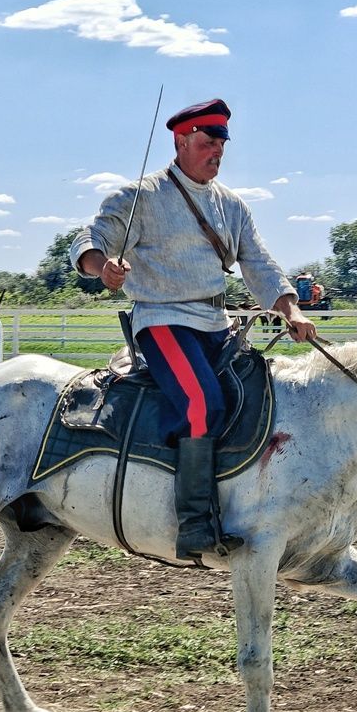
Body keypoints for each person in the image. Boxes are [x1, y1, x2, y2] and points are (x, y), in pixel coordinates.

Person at [70, 98, 316, 560]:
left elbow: (258, 263)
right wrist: (104, 269)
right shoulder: (140, 196)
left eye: (222, 143)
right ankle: (194, 524)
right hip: (162, 319)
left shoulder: (232, 205)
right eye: (207, 142)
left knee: (264, 394)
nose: (217, 151)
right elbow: (88, 240)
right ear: (181, 141)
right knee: (201, 402)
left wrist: (291, 310)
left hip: (217, 324)